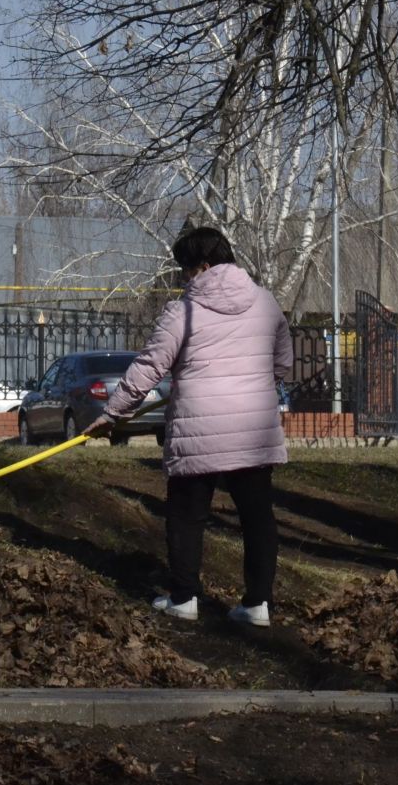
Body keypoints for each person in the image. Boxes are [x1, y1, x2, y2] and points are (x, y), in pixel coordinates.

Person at [89, 226, 293, 627]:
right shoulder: (267, 303)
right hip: (254, 428)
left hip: (199, 428)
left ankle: (184, 598)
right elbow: (282, 363)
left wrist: (113, 413)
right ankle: (257, 605)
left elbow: (150, 367)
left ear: (202, 266)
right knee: (257, 517)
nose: (184, 278)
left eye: (185, 269)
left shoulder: (183, 311)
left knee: (186, 514)